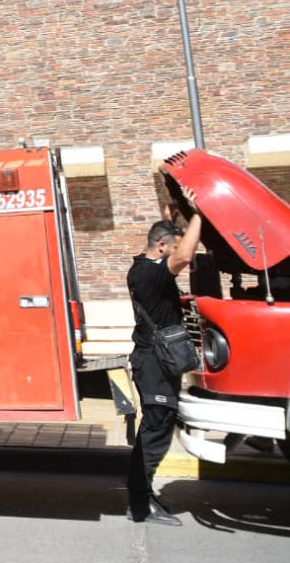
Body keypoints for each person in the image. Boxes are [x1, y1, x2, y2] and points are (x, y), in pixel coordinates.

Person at [126, 208, 203, 526]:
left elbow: (177, 248)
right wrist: (199, 215)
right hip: (154, 364)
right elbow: (184, 256)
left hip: (155, 362)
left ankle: (141, 497)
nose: (178, 254)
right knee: (155, 430)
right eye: (172, 247)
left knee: (156, 428)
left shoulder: (143, 267)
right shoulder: (149, 274)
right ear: (161, 247)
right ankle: (140, 504)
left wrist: (176, 216)